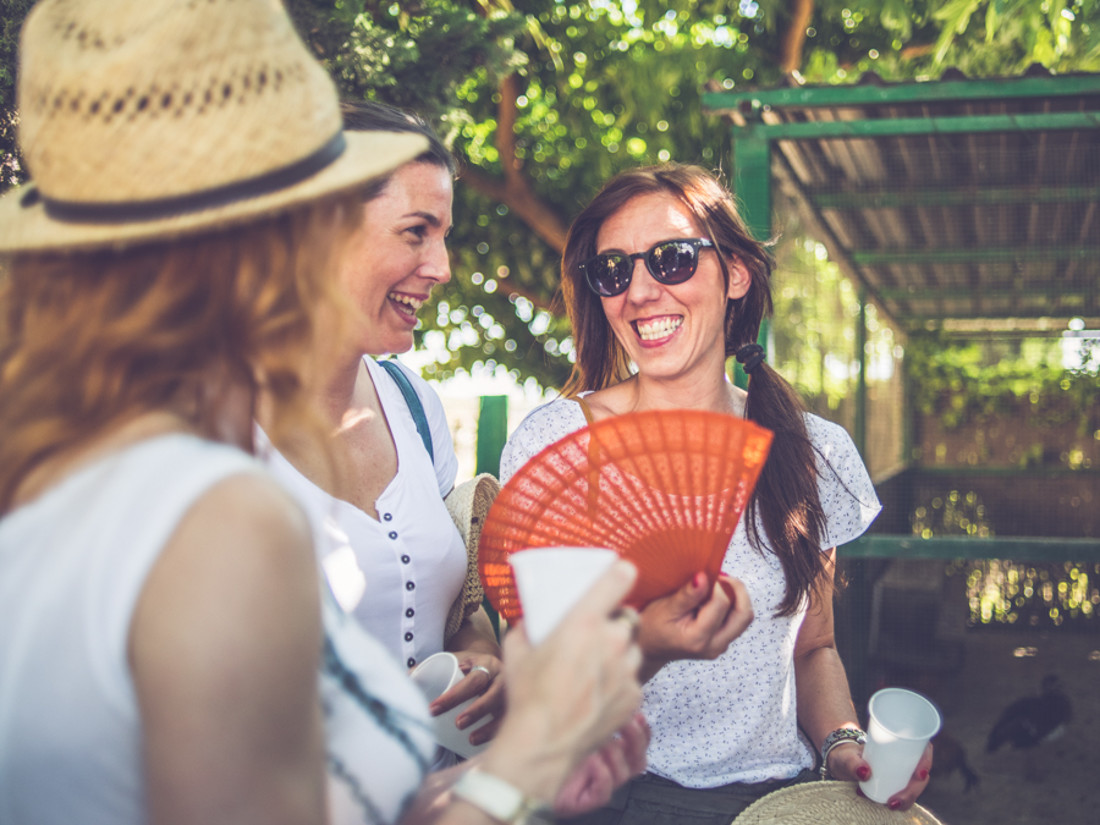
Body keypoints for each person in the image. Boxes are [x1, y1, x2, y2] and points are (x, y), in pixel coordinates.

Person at [0, 3, 646, 825]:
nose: (443, 268)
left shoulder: (82, 465)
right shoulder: (209, 503)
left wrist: (514, 775)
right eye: (416, 231)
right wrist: (539, 747)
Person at [499, 163, 934, 823]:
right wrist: (643, 642)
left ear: (735, 274)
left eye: (670, 259)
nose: (640, 290)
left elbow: (814, 646)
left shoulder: (811, 449)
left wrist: (845, 744)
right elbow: (538, 680)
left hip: (778, 798)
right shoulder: (557, 445)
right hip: (617, 800)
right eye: (613, 270)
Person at [256, 101, 504, 762]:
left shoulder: (414, 404)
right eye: (416, 232)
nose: (443, 267)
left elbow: (455, 608)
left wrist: (478, 654)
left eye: (444, 236)